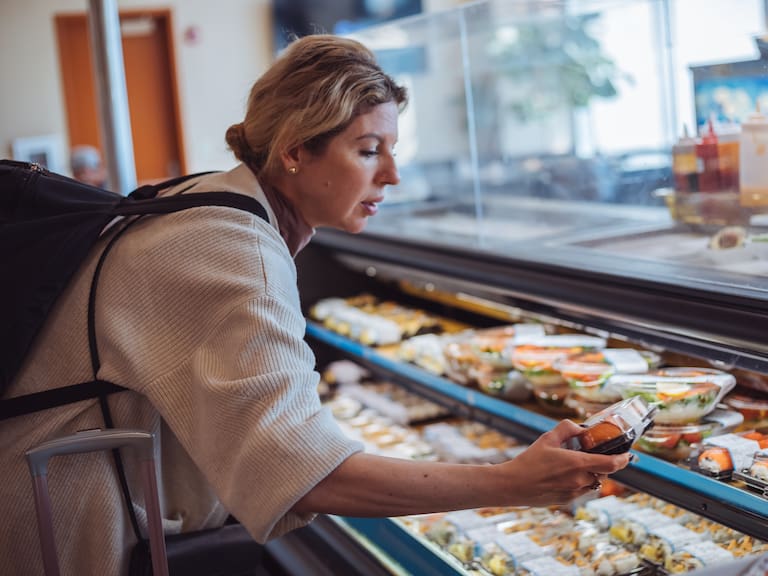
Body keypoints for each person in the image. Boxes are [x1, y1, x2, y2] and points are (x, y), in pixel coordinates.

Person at [0, 34, 630, 575]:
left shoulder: (207, 201)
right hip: (54, 530)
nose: (392, 175)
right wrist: (513, 483)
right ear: (296, 151)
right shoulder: (224, 247)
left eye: (392, 149)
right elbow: (310, 474)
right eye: (367, 150)